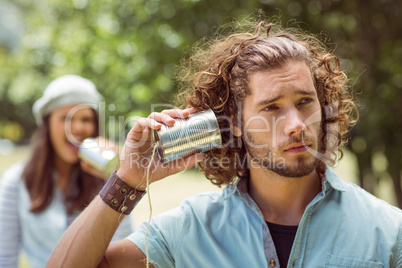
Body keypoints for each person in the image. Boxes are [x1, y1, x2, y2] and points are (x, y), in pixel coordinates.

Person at [47, 20, 402, 268]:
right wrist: (127, 181)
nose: (296, 125)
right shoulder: (191, 229)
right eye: (272, 107)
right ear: (234, 121)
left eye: (305, 102)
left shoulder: (388, 231)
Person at [0, 75, 133, 268]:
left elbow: (123, 250)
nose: (77, 128)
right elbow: (4, 260)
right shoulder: (16, 182)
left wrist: (118, 183)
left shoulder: (106, 180)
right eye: (66, 118)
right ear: (47, 124)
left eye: (86, 119)